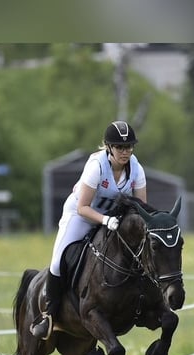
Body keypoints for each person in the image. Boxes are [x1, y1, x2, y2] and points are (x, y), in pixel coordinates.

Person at [31, 120, 148, 339]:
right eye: (120, 147)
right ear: (109, 147)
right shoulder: (96, 167)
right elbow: (82, 207)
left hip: (113, 220)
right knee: (58, 261)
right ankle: (49, 315)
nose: (126, 152)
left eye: (129, 146)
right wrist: (105, 220)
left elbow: (141, 207)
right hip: (81, 216)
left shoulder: (136, 169)